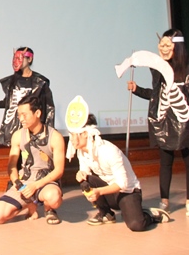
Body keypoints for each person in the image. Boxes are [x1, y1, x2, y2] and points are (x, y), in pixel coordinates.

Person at [126, 29, 189, 217]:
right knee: (165, 162)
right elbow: (156, 96)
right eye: (161, 45)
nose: (163, 48)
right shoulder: (159, 69)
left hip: (185, 122)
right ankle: (165, 201)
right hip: (164, 123)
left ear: (177, 47)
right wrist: (137, 89)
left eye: (167, 45)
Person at [65, 95, 170, 231]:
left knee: (136, 225)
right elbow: (85, 170)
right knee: (86, 181)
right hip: (109, 191)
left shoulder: (108, 151)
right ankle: (106, 214)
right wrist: (81, 173)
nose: (71, 139)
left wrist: (99, 191)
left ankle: (151, 215)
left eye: (74, 134)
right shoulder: (81, 151)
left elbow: (122, 184)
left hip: (127, 192)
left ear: (85, 133)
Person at [0, 95, 65, 225]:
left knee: (53, 197)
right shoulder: (18, 135)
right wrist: (17, 183)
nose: (21, 119)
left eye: (24, 115)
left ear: (37, 113)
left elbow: (59, 170)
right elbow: (12, 165)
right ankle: (29, 205)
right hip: (24, 181)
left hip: (45, 182)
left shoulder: (55, 137)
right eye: (19, 115)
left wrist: (35, 186)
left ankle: (49, 209)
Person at [0, 47, 55, 147]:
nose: (16, 61)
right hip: (12, 126)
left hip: (31, 126)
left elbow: (49, 107)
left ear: (29, 59)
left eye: (20, 58)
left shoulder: (40, 82)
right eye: (15, 58)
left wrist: (48, 131)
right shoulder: (12, 81)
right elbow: (9, 103)